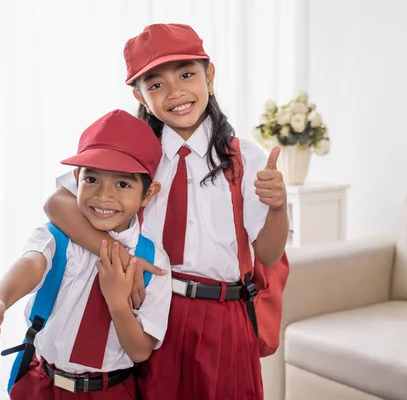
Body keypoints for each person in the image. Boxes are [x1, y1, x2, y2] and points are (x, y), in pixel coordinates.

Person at [45, 23, 290, 400]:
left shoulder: (246, 158)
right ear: (140, 97)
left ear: (209, 75)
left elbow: (269, 254)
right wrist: (124, 257)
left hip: (223, 316)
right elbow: (58, 203)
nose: (175, 92)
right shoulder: (135, 155)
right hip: (152, 309)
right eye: (155, 84)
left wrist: (278, 205)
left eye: (186, 74)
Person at [0, 109, 172, 399]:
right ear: (76, 178)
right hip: (40, 383)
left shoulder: (153, 262)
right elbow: (32, 262)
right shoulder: (56, 234)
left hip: (109, 390)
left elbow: (141, 351)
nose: (103, 195)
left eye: (122, 184)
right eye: (92, 180)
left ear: (148, 194)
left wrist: (117, 304)